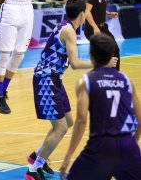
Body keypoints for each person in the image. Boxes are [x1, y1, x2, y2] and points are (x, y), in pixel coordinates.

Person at [25, 0, 104, 180]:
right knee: (60, 127)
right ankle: (32, 170)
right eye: (87, 12)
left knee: (67, 122)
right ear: (82, 14)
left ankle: (37, 156)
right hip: (46, 79)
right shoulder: (68, 31)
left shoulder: (66, 26)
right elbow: (75, 64)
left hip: (54, 79)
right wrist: (99, 64)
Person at [60, 33, 141, 180]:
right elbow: (140, 119)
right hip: (127, 143)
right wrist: (133, 142)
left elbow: (81, 121)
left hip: (101, 145)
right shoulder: (126, 80)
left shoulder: (86, 81)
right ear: (112, 55)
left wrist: (68, 155)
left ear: (91, 56)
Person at [85, 0, 120, 69]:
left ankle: (115, 72)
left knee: (115, 49)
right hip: (92, 30)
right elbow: (87, 12)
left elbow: (99, 8)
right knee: (103, 53)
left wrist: (109, 13)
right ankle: (100, 75)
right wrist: (95, 28)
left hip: (103, 28)